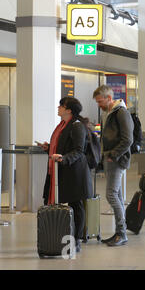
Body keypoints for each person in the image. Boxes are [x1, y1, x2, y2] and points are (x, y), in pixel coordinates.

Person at [40, 97, 93, 253]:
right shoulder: (62, 126)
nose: (58, 108)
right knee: (72, 205)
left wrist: (64, 158)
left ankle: (76, 240)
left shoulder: (77, 126)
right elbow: (63, 146)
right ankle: (66, 237)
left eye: (61, 106)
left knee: (76, 205)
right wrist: (48, 148)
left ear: (69, 110)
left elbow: (78, 150)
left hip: (75, 172)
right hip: (62, 169)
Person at [93, 85, 134, 247]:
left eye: (100, 101)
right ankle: (120, 231)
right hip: (110, 158)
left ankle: (122, 232)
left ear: (109, 98)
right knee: (115, 194)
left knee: (111, 194)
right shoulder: (108, 113)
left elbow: (127, 139)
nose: (99, 104)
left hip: (116, 160)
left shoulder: (121, 113)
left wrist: (113, 154)